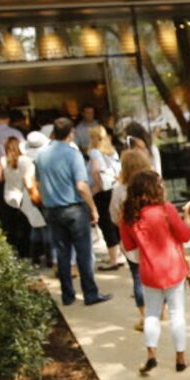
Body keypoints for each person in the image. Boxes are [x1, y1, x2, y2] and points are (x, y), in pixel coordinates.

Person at [119, 170, 190, 375]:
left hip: (149, 272)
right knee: (177, 314)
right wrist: (186, 216)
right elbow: (186, 235)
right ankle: (180, 358)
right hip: (173, 271)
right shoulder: (166, 210)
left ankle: (151, 354)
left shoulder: (128, 216)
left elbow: (129, 247)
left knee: (152, 314)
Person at [36, 117, 110, 307]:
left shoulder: (41, 155)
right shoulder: (72, 154)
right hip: (73, 208)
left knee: (62, 253)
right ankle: (90, 293)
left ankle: (67, 295)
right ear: (71, 133)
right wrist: (93, 208)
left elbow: (38, 183)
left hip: (53, 209)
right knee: (83, 252)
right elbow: (82, 186)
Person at [111, 149, 158, 331]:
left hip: (132, 242)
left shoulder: (119, 191)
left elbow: (115, 216)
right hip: (154, 238)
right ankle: (160, 309)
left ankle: (145, 315)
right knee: (157, 273)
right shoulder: (153, 185)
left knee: (138, 276)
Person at [0, 134, 48, 264]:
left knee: (16, 227)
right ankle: (38, 254)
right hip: (24, 197)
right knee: (34, 226)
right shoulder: (24, 160)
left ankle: (21, 253)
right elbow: (28, 181)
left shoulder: (3, 160)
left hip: (9, 196)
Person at [87, 125, 124, 270]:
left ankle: (113, 258)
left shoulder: (95, 152)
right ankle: (120, 255)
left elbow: (96, 171)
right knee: (116, 222)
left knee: (106, 224)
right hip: (114, 188)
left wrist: (94, 188)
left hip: (102, 192)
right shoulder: (112, 151)